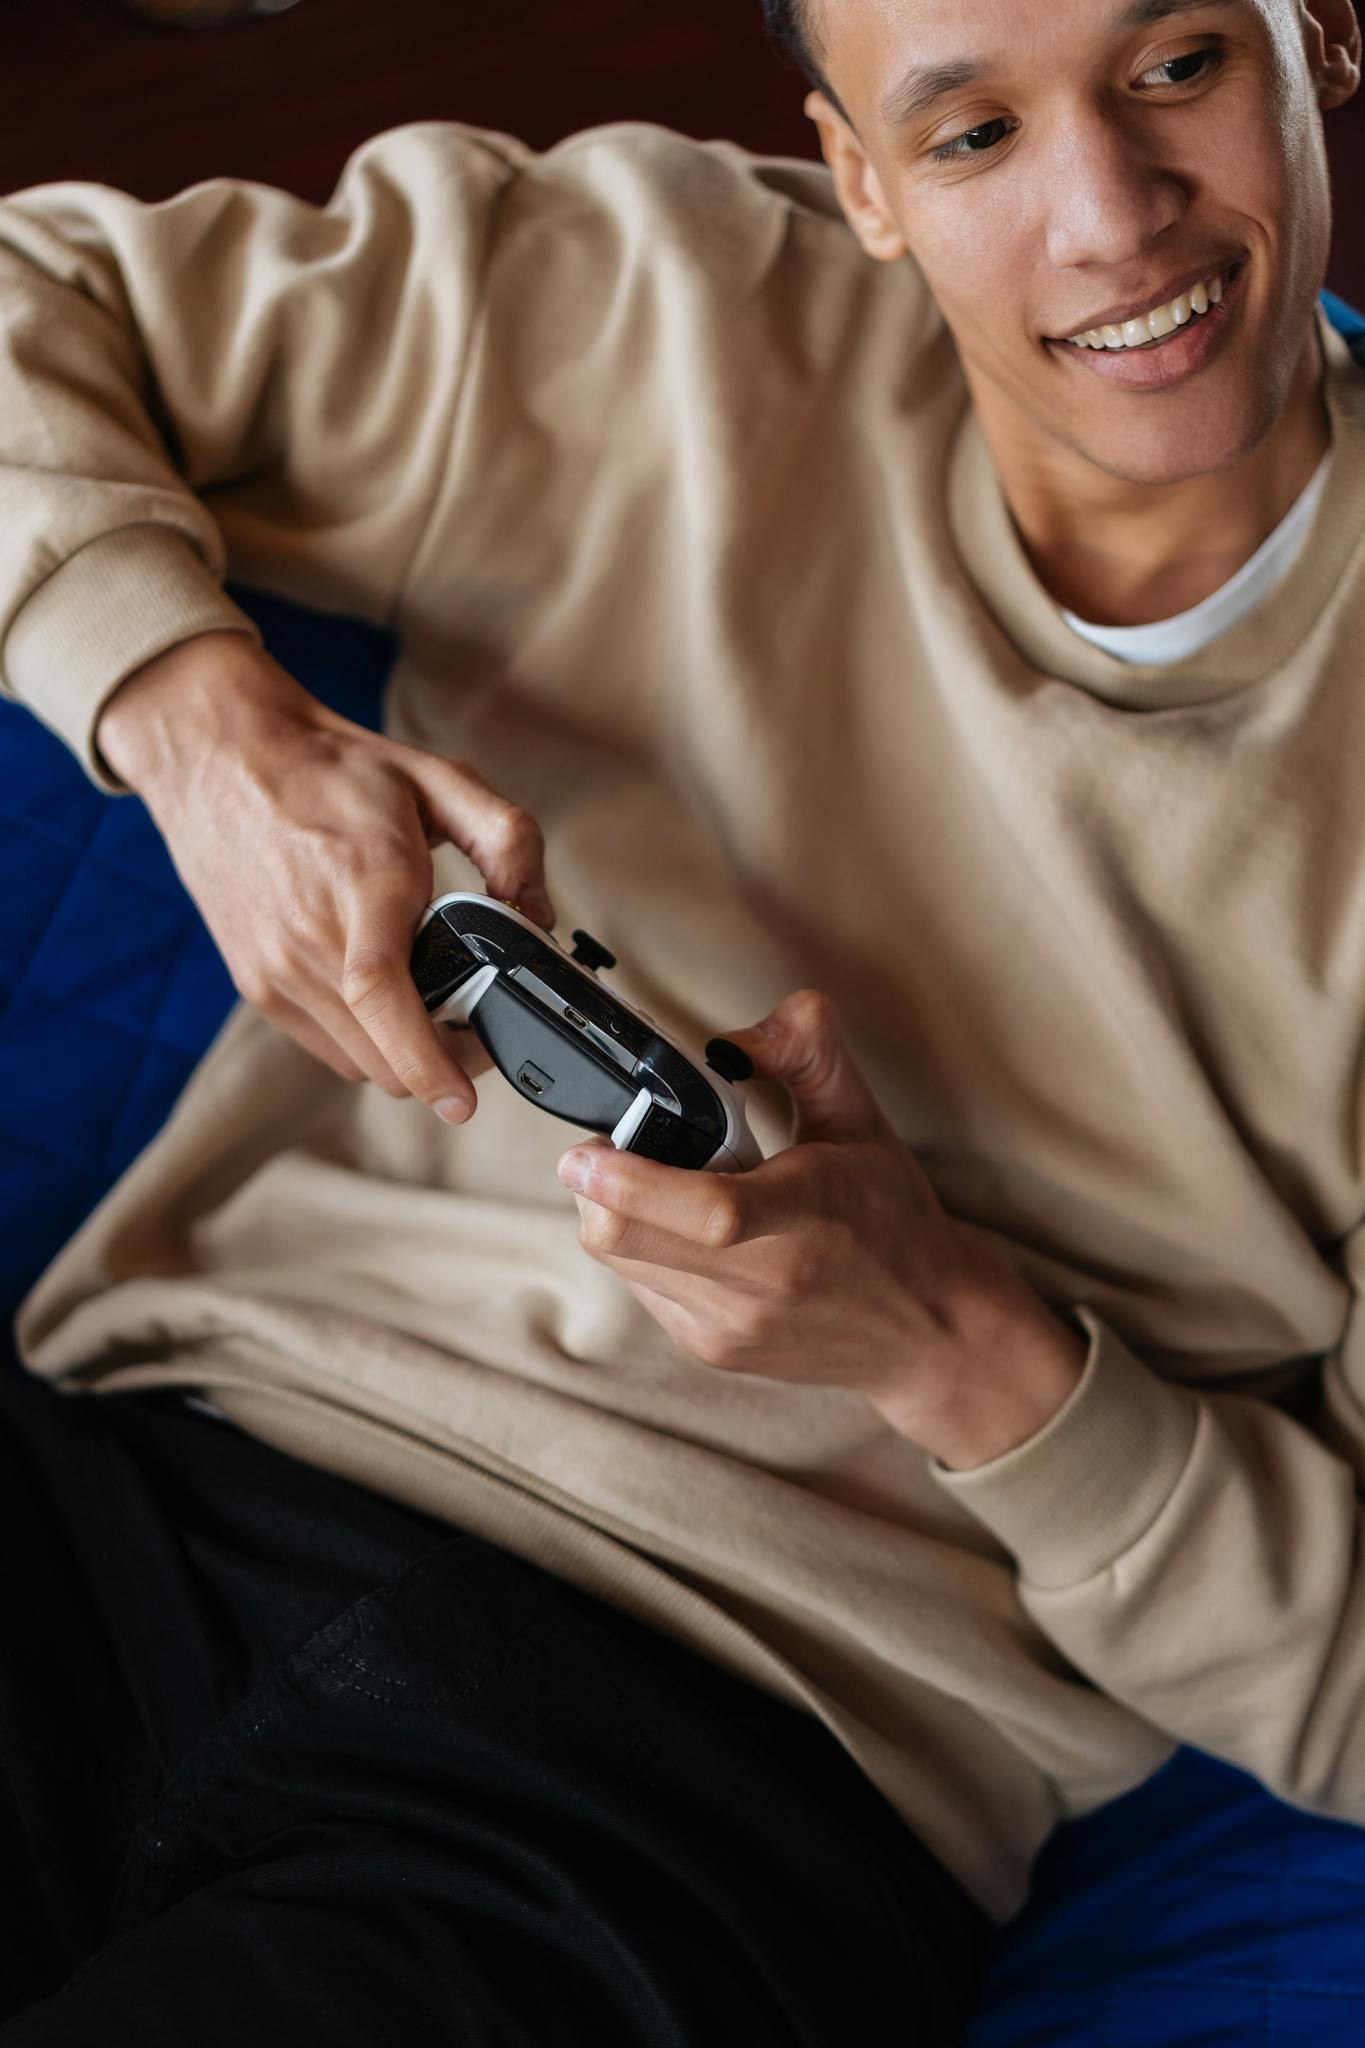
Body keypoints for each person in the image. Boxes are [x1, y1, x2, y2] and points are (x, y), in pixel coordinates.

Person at [1, 0, 1363, 2037]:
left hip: (723, 1745)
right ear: (860, 181)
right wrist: (200, 722)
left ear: (1317, 37)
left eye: (1174, 64)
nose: (1107, 216)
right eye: (972, 134)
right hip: (161, 1465)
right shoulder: (645, 294)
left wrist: (953, 1342)